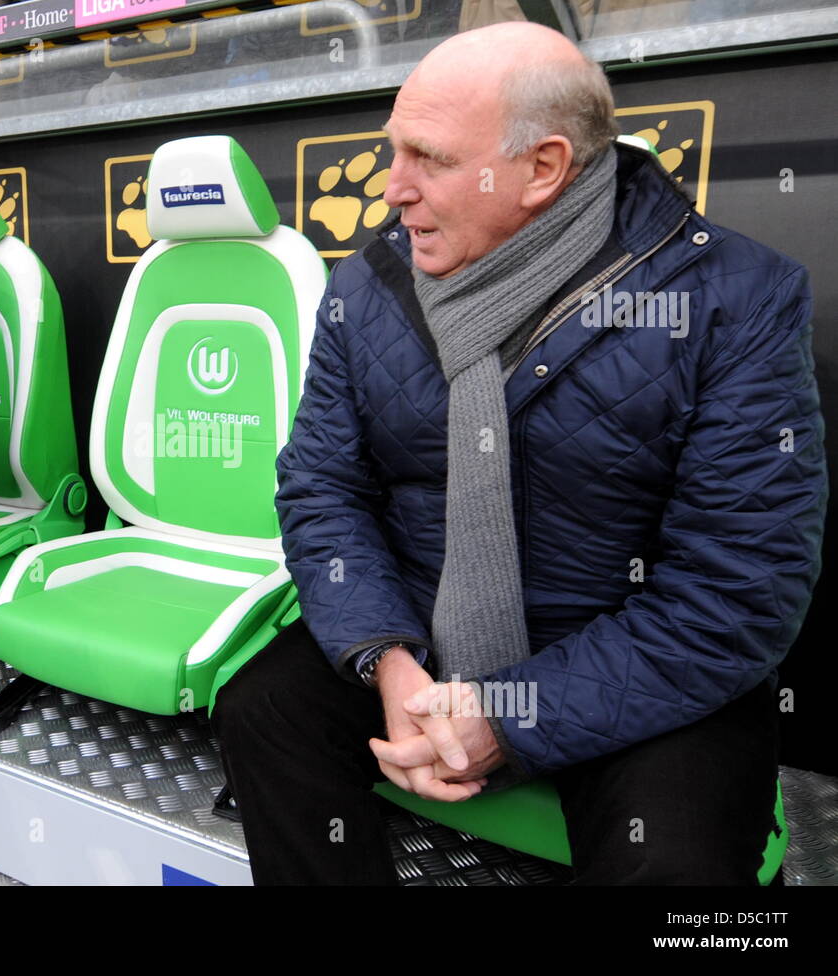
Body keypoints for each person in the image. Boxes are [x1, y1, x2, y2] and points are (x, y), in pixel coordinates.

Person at [212, 21, 826, 885]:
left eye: (429, 159)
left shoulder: (736, 300)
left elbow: (738, 587)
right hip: (420, 635)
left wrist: (508, 716)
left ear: (542, 169)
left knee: (676, 866)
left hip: (633, 661)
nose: (394, 191)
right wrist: (385, 660)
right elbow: (322, 489)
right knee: (261, 712)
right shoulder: (365, 288)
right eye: (392, 153)